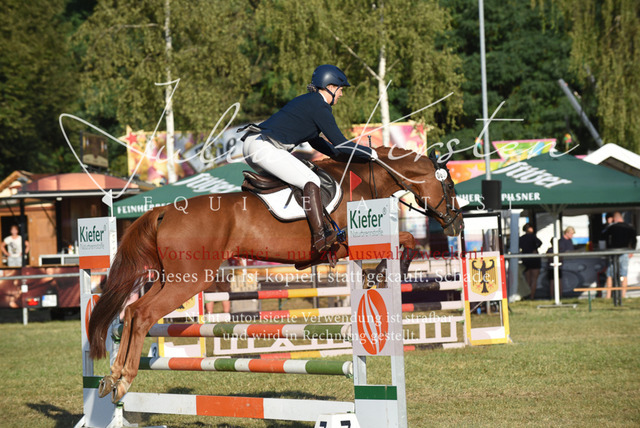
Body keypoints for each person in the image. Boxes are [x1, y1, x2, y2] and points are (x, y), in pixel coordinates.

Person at [242, 64, 377, 252]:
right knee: (310, 180)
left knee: (297, 178)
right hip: (264, 146)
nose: (341, 94)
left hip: (253, 144)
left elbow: (321, 144)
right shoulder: (320, 106)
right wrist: (371, 153)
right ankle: (320, 236)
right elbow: (340, 143)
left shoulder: (309, 102)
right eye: (340, 89)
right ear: (330, 87)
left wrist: (343, 156)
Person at [602, 212, 637, 298]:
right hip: (625, 251)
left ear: (614, 219)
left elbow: (604, 237)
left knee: (610, 274)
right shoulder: (629, 227)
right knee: (624, 274)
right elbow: (634, 240)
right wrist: (632, 250)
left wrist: (607, 248)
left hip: (613, 252)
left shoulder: (612, 227)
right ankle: (623, 295)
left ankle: (608, 295)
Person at [519, 223, 542, 300]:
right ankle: (532, 296)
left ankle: (527, 295)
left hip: (525, 259)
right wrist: (534, 249)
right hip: (534, 259)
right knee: (534, 279)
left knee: (527, 279)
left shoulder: (521, 238)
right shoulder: (533, 237)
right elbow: (540, 243)